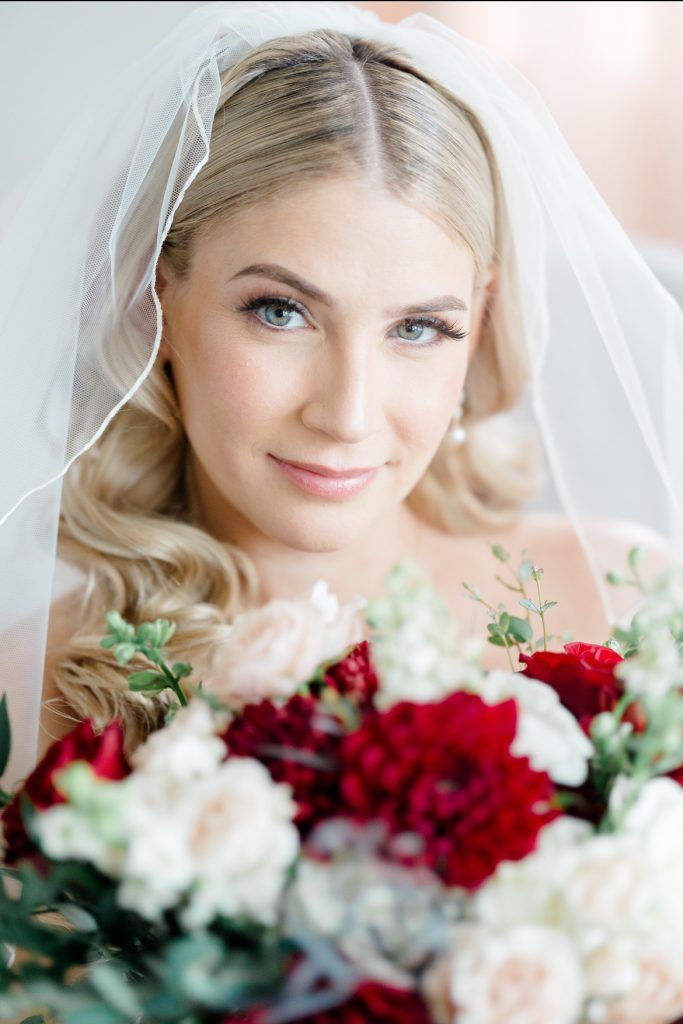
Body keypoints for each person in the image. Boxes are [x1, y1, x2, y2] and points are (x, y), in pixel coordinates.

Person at [2, 0, 682, 794]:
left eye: (419, 328)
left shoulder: (624, 599)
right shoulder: (31, 697)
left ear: (482, 317)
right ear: (156, 298)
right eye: (280, 313)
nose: (347, 414)